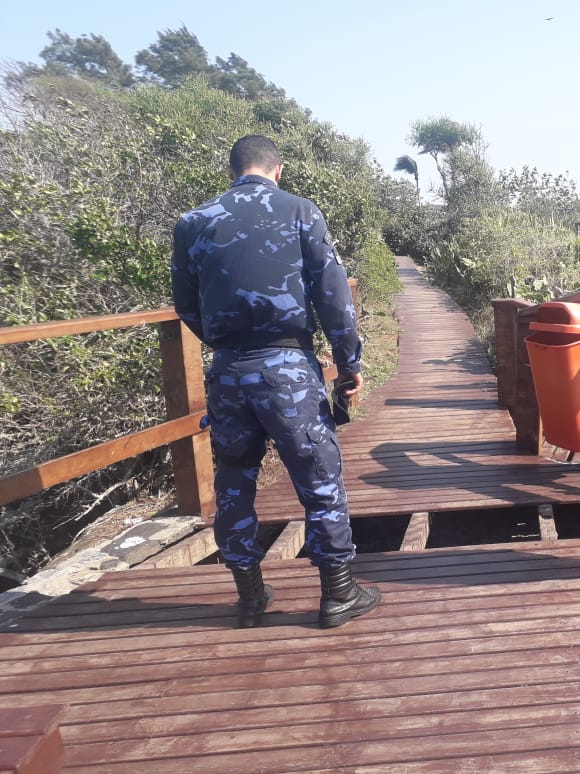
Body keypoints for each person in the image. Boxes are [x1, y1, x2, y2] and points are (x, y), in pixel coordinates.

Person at [171, 134, 380, 628]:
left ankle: (250, 596)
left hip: (227, 372)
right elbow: (332, 296)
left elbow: (186, 305)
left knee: (234, 480)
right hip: (287, 369)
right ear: (277, 170)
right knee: (318, 478)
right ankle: (338, 593)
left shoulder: (193, 222)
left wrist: (227, 344)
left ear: (232, 171)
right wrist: (348, 363)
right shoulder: (301, 211)